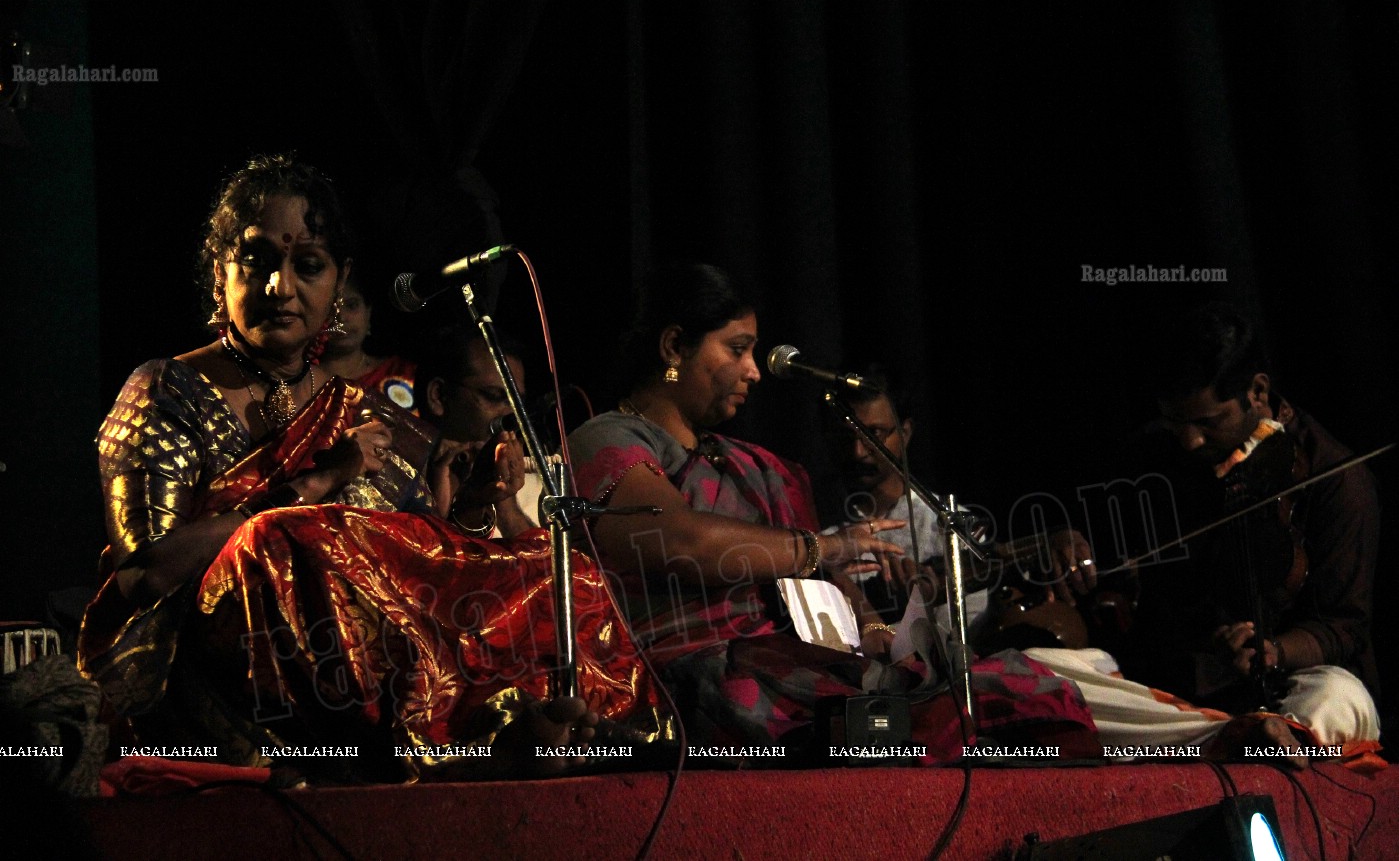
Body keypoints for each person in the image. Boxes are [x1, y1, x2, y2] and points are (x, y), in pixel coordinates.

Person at [77, 154, 667, 782]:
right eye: (256, 262)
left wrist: (468, 507)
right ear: (218, 269)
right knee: (279, 539)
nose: (281, 287)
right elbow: (143, 577)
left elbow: (397, 563)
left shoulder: (358, 406)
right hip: (206, 667)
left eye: (308, 266)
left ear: (339, 282)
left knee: (558, 568)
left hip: (353, 649)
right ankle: (443, 750)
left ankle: (580, 732)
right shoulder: (166, 388)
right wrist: (312, 485)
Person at [568, 262, 1097, 761]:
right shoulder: (609, 438)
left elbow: (823, 582)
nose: (754, 371)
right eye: (737, 349)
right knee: (918, 721)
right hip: (700, 678)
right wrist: (824, 546)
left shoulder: (753, 467)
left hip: (794, 660)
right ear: (674, 346)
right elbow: (679, 541)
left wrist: (880, 635)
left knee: (1021, 693)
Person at [1031, 302, 1381, 764]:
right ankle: (1224, 740)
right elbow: (1085, 511)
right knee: (1038, 670)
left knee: (1336, 696)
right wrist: (1067, 533)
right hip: (1179, 689)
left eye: (1208, 423)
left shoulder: (1335, 479)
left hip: (1292, 683)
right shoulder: (1160, 454)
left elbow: (1344, 627)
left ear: (1258, 391)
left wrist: (1272, 650)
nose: (1190, 441)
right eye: (1176, 423)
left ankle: (1249, 736)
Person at [820, 367, 991, 637]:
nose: (858, 451)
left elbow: (972, 627)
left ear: (905, 432)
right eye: (846, 436)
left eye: (873, 433)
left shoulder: (949, 523)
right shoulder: (814, 520)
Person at [417, 325, 543, 538]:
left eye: (518, 405)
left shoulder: (533, 487)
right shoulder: (394, 476)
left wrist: (507, 508)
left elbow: (550, 571)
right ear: (438, 396)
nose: (512, 416)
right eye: (494, 396)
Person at [316, 272, 418, 413]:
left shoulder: (400, 373)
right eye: (330, 308)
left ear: (368, 312)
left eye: (351, 305)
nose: (341, 317)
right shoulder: (301, 386)